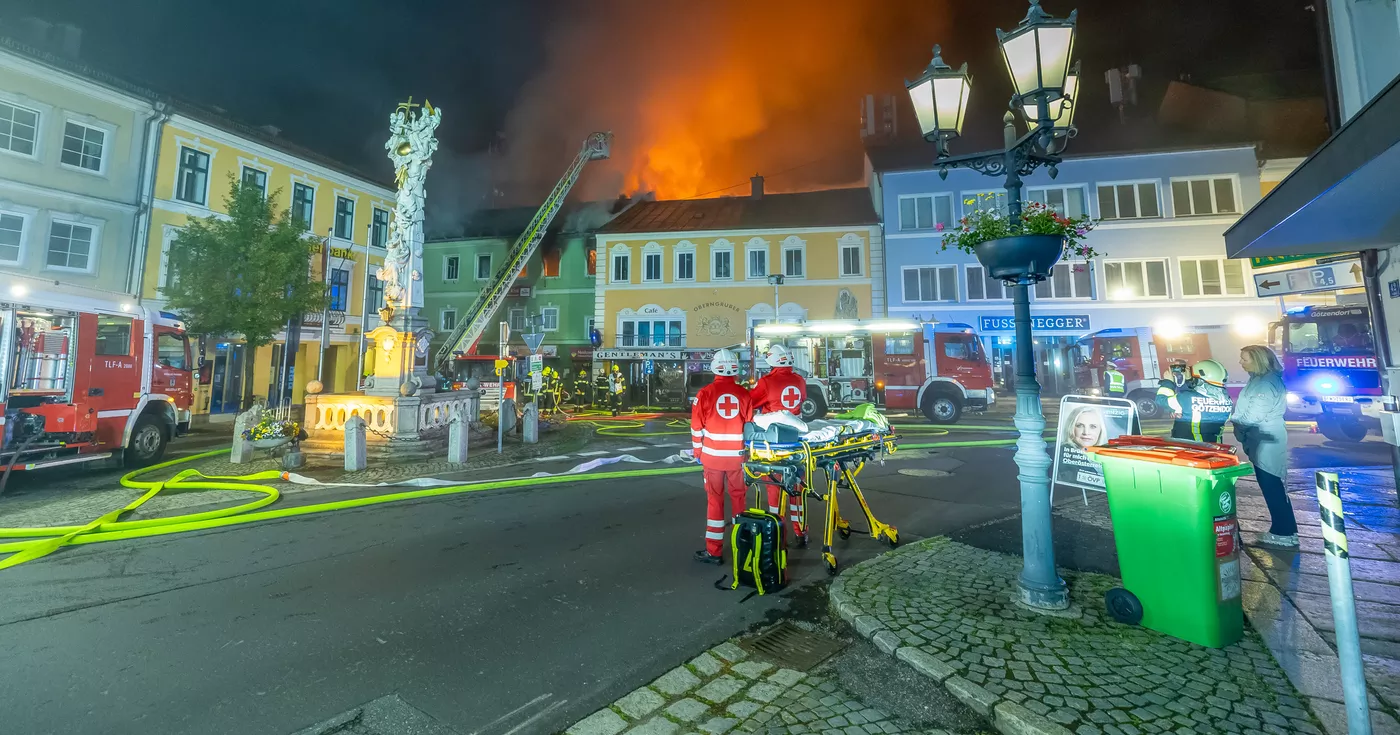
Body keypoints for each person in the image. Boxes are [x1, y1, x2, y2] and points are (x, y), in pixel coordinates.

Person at [691, 348, 754, 564]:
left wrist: (698, 452)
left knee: (715, 502)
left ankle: (714, 551)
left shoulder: (705, 394)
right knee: (739, 501)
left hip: (712, 460)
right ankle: (743, 547)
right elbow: (750, 426)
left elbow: (696, 427)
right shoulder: (744, 394)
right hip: (738, 459)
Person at [1233, 345, 1298, 548]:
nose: (1241, 362)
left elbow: (1253, 415)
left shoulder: (1265, 383)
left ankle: (1285, 532)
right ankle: (1282, 529)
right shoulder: (1260, 380)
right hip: (1262, 437)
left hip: (1266, 438)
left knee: (1272, 483)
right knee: (1271, 483)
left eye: (1245, 359)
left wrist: (1234, 420)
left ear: (1259, 360)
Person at [749, 344, 809, 542]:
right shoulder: (800, 380)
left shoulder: (766, 382)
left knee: (775, 488)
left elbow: (751, 403)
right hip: (798, 444)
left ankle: (777, 534)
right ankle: (801, 531)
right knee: (797, 487)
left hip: (774, 444)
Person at [1170, 359, 1235, 443]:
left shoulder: (1187, 397)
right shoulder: (1227, 400)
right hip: (1216, 448)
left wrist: (1167, 381)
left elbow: (1162, 400)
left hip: (1192, 449)